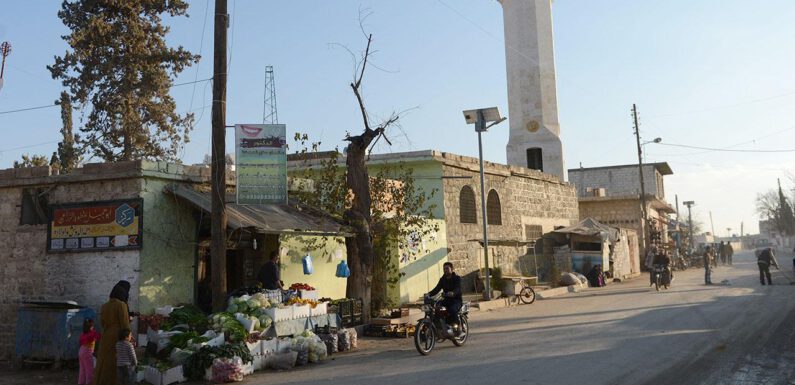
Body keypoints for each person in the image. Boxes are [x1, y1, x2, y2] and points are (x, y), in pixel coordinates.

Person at [93, 281, 131, 385]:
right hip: (117, 337)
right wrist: (128, 340)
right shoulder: (121, 305)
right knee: (113, 363)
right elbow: (125, 325)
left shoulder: (104, 306)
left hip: (105, 336)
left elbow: (102, 322)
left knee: (103, 361)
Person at [427, 262, 463, 335]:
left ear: (452, 269)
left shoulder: (457, 278)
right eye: (444, 269)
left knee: (452, 309)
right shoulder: (442, 279)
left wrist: (453, 293)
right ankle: (440, 327)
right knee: (437, 309)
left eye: (447, 268)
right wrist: (429, 294)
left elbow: (458, 288)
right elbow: (437, 289)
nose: (445, 270)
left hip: (456, 300)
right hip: (446, 300)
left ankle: (458, 327)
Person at [78, 318, 100, 385]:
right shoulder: (92, 333)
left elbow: (80, 342)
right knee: (89, 371)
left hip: (81, 351)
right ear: (91, 327)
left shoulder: (82, 334)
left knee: (82, 370)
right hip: (88, 352)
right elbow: (99, 337)